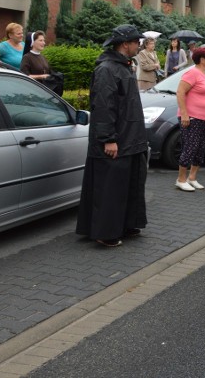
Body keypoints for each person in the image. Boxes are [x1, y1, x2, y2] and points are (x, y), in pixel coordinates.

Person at [76, 24, 149, 247]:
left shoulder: (124, 66)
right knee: (110, 189)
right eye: (137, 42)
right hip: (117, 140)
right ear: (125, 44)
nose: (139, 45)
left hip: (131, 138)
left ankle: (126, 224)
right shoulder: (107, 69)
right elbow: (103, 107)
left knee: (128, 185)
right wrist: (108, 138)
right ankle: (105, 232)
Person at [174, 47, 205, 192]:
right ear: (203, 59)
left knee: (200, 148)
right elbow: (180, 92)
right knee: (190, 147)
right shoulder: (192, 73)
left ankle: (192, 178)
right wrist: (185, 114)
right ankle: (181, 179)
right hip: (193, 117)